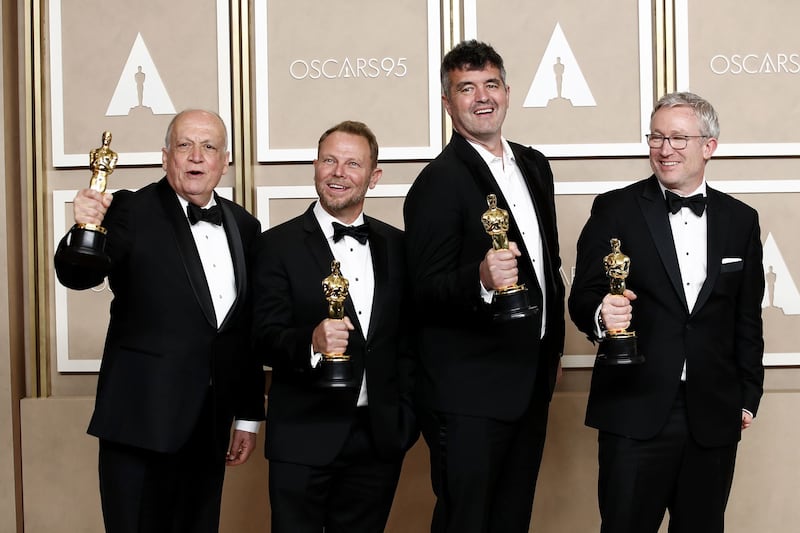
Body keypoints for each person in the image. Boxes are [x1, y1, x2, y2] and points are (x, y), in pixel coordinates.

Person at [54, 109, 265, 533]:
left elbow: (242, 332)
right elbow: (78, 274)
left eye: (209, 147)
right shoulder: (132, 210)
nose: (196, 156)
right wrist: (85, 227)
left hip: (210, 426)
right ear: (165, 156)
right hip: (139, 420)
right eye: (184, 145)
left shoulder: (245, 225)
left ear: (225, 161)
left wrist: (246, 415)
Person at [568, 92, 765, 533]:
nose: (664, 148)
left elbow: (747, 317)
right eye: (656, 136)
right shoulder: (615, 208)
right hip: (634, 406)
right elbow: (583, 295)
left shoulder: (741, 219)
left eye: (678, 137)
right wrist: (603, 314)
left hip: (713, 413)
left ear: (709, 146)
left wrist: (749, 395)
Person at [403, 40, 565, 533]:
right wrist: (479, 279)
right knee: (466, 521)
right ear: (447, 102)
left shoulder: (535, 166)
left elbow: (548, 265)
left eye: (490, 84)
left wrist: (551, 351)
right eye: (465, 88)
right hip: (467, 393)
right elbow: (424, 290)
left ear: (508, 92)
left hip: (530, 379)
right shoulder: (438, 182)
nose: (481, 97)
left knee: (511, 518)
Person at [251, 120, 417, 533]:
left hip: (378, 439)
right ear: (315, 167)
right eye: (329, 160)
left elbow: (411, 339)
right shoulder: (275, 245)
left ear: (373, 177)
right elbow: (262, 336)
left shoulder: (399, 247)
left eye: (352, 163)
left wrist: (406, 418)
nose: (338, 172)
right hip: (303, 436)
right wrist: (311, 342)